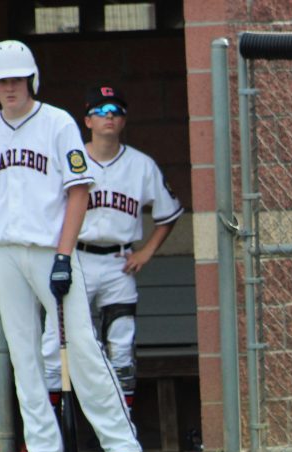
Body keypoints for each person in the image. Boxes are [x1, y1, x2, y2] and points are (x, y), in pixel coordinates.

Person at [0, 40, 145, 452]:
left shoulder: (57, 123)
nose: (9, 88)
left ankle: (125, 446)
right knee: (22, 353)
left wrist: (64, 254)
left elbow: (78, 191)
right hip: (5, 251)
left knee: (81, 344)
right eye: (1, 81)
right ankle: (44, 451)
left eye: (17, 79)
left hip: (50, 249)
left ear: (31, 80)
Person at [40, 85, 183, 413]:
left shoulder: (141, 165)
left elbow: (169, 213)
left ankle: (123, 426)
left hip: (119, 262)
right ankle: (55, 430)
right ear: (87, 120)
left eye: (116, 112)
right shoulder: (70, 161)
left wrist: (147, 251)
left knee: (120, 346)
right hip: (76, 258)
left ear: (123, 121)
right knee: (53, 345)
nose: (109, 117)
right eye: (101, 112)